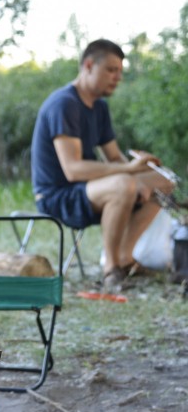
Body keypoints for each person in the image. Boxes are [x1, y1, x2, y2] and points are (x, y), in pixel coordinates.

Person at [31, 38, 176, 290]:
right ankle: (111, 268)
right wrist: (129, 173)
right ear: (88, 65)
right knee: (123, 184)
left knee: (163, 180)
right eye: (111, 70)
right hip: (57, 196)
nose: (117, 77)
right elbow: (73, 169)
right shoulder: (64, 104)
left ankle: (125, 258)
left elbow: (115, 158)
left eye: (120, 71)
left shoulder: (99, 107)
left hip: (90, 189)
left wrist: (142, 168)